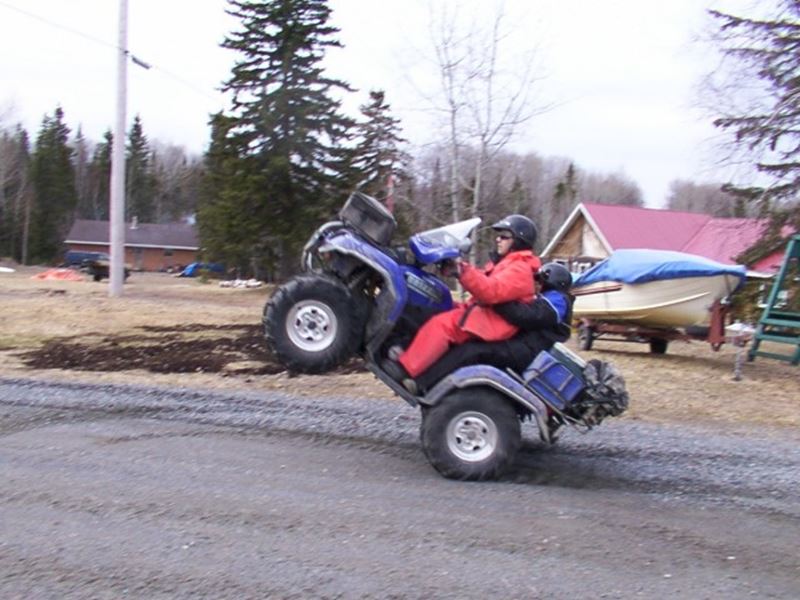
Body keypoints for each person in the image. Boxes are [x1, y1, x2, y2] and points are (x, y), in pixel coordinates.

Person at [383, 214, 541, 391]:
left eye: (504, 236)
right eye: (499, 235)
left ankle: (405, 369)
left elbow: (490, 291)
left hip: (491, 323)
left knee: (442, 325)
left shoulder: (520, 269)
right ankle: (396, 347)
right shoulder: (508, 263)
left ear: (519, 241)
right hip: (484, 314)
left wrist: (461, 271)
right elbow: (483, 281)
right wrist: (458, 268)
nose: (498, 239)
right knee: (435, 304)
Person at [415, 262, 574, 392]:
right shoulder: (550, 298)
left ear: (553, 281)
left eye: (540, 279)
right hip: (524, 346)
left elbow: (527, 316)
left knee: (472, 351)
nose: (537, 283)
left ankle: (423, 383)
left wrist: (495, 299)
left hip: (527, 350)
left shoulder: (559, 300)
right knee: (470, 342)